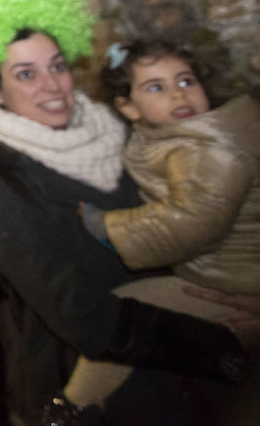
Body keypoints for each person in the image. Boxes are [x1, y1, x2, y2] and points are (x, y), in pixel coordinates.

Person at [0, 0, 249, 423]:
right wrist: (224, 346)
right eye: (26, 74)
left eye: (57, 66)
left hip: (194, 378)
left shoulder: (121, 130)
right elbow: (76, 310)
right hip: (102, 384)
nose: (53, 85)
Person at [83, 39, 259, 295]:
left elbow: (194, 222)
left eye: (186, 81)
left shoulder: (210, 150)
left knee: (120, 305)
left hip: (234, 277)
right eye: (156, 87)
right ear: (129, 108)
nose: (178, 93)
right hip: (210, 267)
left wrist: (111, 227)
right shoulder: (168, 135)